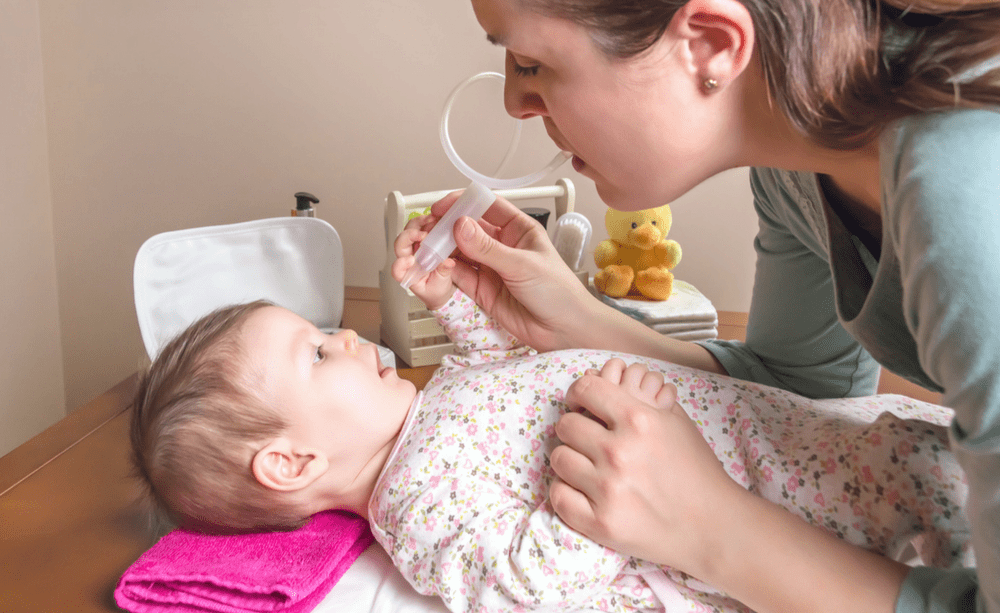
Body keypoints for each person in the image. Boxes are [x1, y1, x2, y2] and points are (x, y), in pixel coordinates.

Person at [408, 0, 1000, 612]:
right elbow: (802, 392)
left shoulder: (970, 194)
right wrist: (575, 323)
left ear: (709, 45)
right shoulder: (796, 167)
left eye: (531, 62)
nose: (517, 101)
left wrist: (708, 526)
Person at [130, 226, 971, 613]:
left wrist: (456, 305)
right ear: (290, 462)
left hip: (784, 431)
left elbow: (498, 370)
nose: (347, 336)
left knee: (902, 448)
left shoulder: (428, 409)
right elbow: (530, 585)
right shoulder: (417, 507)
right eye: (318, 353)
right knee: (915, 506)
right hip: (765, 496)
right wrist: (612, 491)